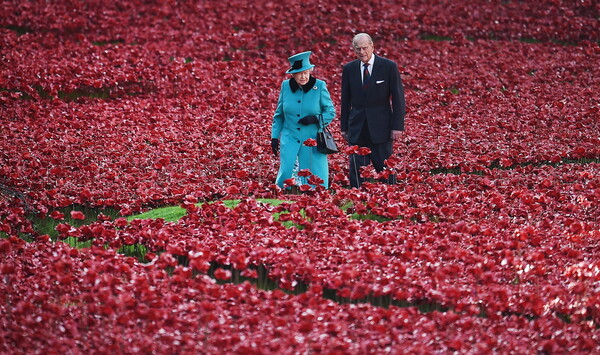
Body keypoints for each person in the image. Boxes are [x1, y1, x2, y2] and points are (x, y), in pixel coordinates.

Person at [340, 33, 406, 188]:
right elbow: (345, 100)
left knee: (386, 171)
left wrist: (397, 126)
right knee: (356, 172)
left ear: (372, 47)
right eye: (358, 49)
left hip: (381, 128)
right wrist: (344, 127)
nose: (362, 52)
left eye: (364, 48)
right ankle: (357, 202)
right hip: (357, 129)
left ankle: (390, 202)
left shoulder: (389, 67)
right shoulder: (349, 69)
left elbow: (398, 99)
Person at [271, 51, 336, 189]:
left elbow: (330, 112)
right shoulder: (285, 86)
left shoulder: (320, 86)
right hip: (290, 139)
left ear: (311, 71)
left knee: (315, 183)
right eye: (299, 73)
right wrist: (274, 137)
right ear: (293, 74)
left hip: (312, 140)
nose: (303, 76)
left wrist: (316, 119)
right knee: (287, 180)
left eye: (306, 72)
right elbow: (279, 115)